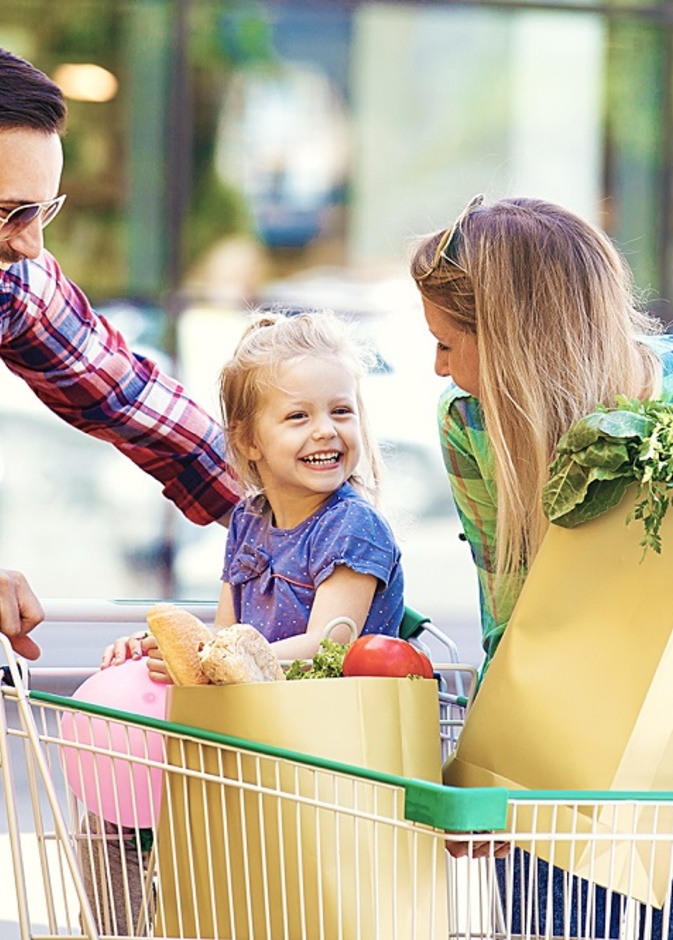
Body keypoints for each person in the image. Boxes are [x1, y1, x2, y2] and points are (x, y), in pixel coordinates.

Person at [410, 194, 673, 936]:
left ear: (517, 339)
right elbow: (510, 616)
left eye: (448, 343)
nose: (435, 368)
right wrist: (491, 777)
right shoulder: (470, 423)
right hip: (556, 769)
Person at [0, 46, 239, 660]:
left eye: (42, 209)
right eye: (8, 213)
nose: (30, 244)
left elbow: (132, 401)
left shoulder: (11, 282)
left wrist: (313, 521)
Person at [105, 308, 405, 675]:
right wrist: (163, 647)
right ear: (248, 441)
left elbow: (327, 649)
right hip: (263, 723)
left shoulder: (352, 525)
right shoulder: (248, 521)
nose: (326, 430)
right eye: (299, 416)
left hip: (339, 723)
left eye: (341, 411)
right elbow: (227, 635)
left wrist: (205, 657)